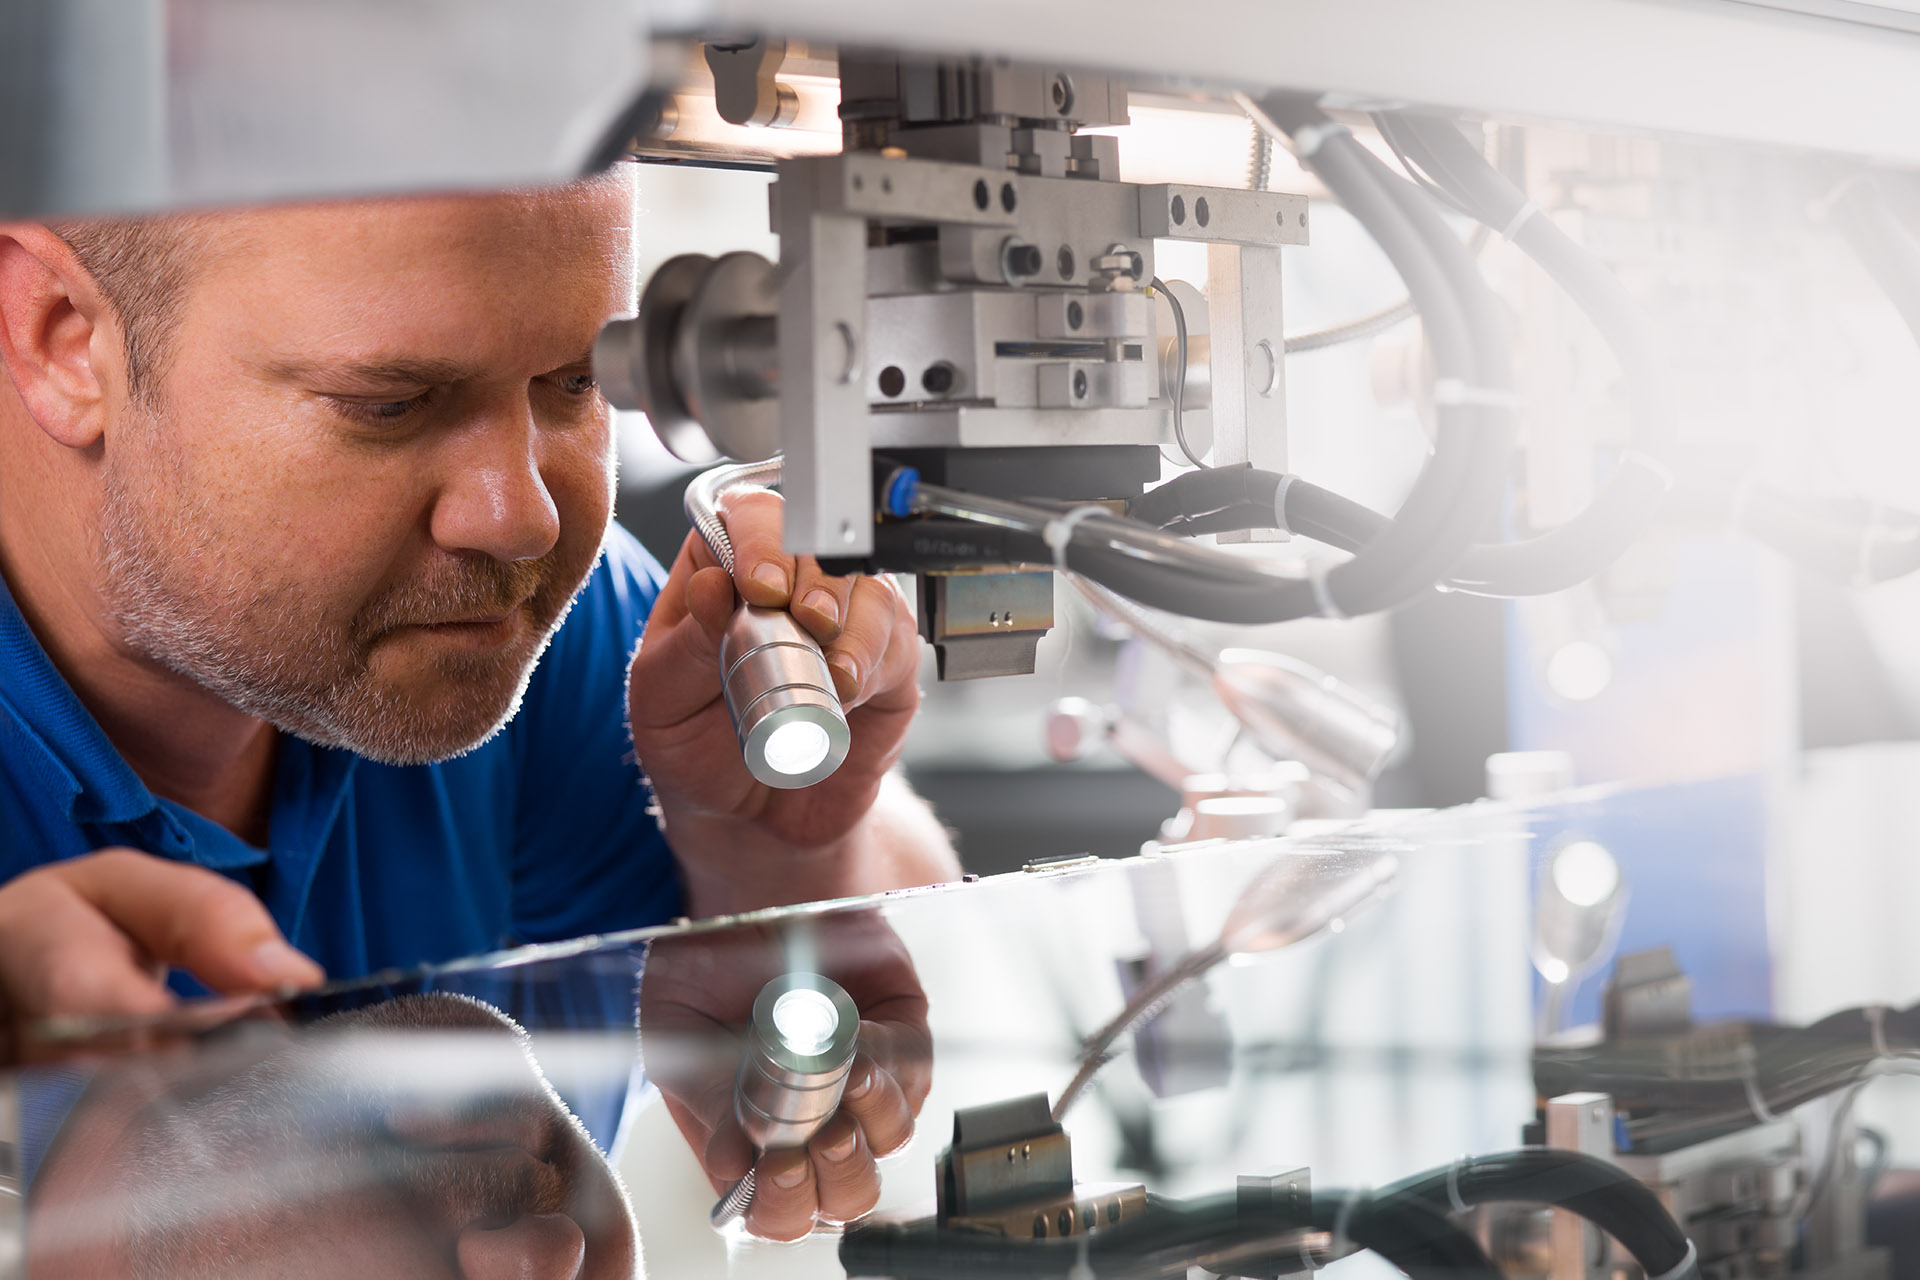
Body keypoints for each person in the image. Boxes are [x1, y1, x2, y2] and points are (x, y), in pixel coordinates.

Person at [0, 164, 959, 1224]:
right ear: (61, 337)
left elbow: (916, 893)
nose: (523, 517)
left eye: (576, 382)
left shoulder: (524, 629)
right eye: (392, 403)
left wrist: (774, 860)